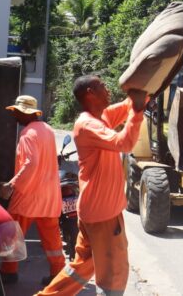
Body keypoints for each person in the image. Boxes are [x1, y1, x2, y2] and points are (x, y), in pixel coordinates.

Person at [37, 76, 147, 296]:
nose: (107, 88)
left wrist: (147, 88)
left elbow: (129, 103)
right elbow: (123, 143)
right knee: (113, 275)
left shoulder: (101, 117)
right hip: (103, 216)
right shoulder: (88, 125)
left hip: (94, 212)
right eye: (101, 86)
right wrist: (137, 111)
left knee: (81, 267)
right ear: (90, 93)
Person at [0, 95, 64, 285]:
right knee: (52, 240)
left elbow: (31, 163)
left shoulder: (27, 133)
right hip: (49, 196)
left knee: (12, 234)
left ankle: (9, 272)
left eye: (17, 112)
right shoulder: (48, 130)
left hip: (28, 196)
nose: (15, 116)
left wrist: (12, 184)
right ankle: (58, 274)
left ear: (26, 114)